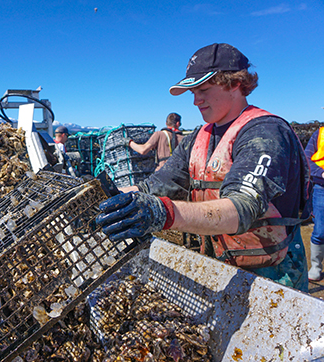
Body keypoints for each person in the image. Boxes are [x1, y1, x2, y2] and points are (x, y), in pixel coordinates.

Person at [96, 43, 310, 292]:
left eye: (204, 90)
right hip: (219, 264)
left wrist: (164, 213)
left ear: (236, 83)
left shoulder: (265, 133)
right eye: (193, 92)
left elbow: (242, 207)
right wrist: (104, 200)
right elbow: (154, 186)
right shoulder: (197, 137)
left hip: (273, 273)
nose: (196, 101)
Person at [304, 128, 324, 281]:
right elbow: (307, 159)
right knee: (320, 230)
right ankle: (316, 267)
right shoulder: (319, 134)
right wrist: (321, 172)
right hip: (321, 187)